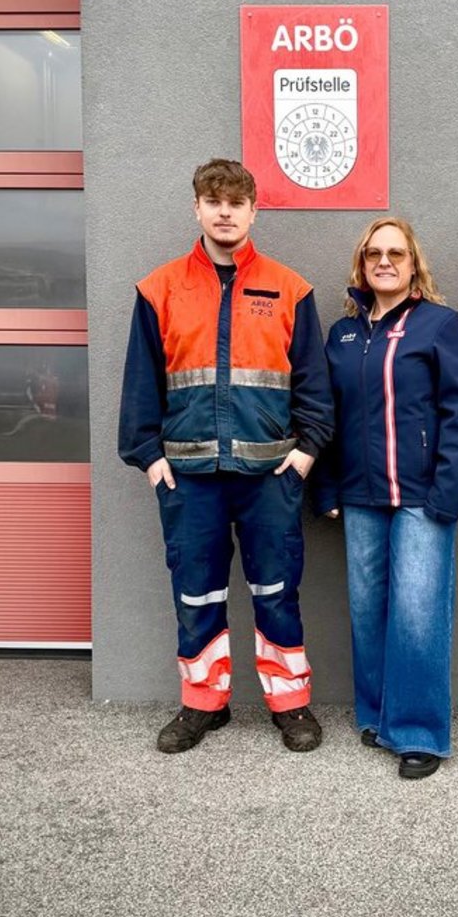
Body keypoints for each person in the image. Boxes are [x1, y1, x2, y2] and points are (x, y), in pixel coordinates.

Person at [118, 158, 334, 754]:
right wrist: (151, 460)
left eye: (236, 203)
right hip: (187, 478)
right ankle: (202, 704)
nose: (225, 213)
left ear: (253, 211)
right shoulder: (159, 288)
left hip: (270, 477)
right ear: (197, 208)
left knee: (276, 591)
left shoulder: (290, 288)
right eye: (213, 202)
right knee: (196, 594)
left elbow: (314, 385)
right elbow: (140, 385)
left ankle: (290, 704)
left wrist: (305, 455)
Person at [313, 217, 458, 780]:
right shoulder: (342, 334)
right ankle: (378, 713)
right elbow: (330, 415)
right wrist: (327, 486)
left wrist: (448, 492)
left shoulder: (441, 325)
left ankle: (418, 732)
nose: (385, 262)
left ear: (413, 265)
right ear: (362, 265)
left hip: (421, 496)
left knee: (417, 612)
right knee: (367, 609)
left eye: (396, 253)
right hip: (359, 495)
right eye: (374, 254)